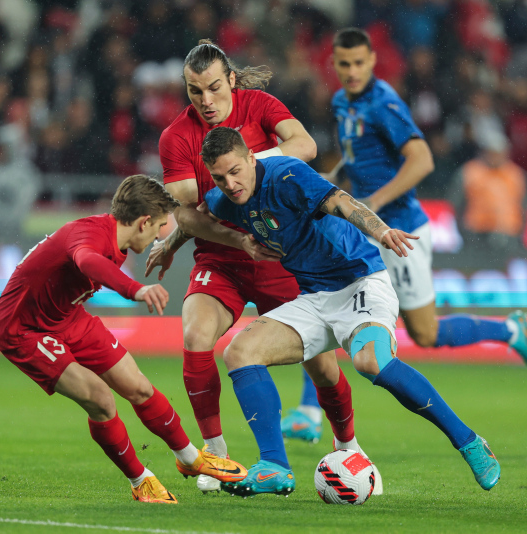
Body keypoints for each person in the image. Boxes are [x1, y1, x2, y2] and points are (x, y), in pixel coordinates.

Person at [200, 127, 500, 496]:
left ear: (250, 158)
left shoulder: (287, 175)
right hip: (313, 297)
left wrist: (381, 229)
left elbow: (342, 202)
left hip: (360, 281)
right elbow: (192, 216)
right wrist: (171, 243)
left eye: (235, 171)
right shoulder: (224, 199)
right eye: (219, 177)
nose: (230, 184)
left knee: (369, 361)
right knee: (239, 352)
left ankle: (469, 442)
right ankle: (275, 466)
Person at [147, 40, 362, 493]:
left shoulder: (259, 105)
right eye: (193, 92)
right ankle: (217, 456)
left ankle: (351, 446)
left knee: (323, 369)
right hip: (223, 256)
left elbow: (305, 144)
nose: (205, 101)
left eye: (213, 88)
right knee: (194, 335)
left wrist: (248, 163)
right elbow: (189, 213)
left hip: (278, 256)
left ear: (232, 80)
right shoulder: (175, 137)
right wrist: (236, 240)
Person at [0, 175, 248, 504]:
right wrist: (135, 289)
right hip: (24, 328)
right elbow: (86, 260)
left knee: (138, 386)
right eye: (158, 228)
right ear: (143, 223)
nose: (159, 235)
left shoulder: (116, 238)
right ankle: (140, 480)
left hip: (67, 315)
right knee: (100, 399)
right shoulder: (90, 236)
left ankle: (189, 457)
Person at [330, 28, 527, 370]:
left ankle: (509, 330)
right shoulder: (342, 102)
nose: (352, 71)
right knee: (331, 301)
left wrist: (377, 201)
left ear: (371, 60)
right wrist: (333, 180)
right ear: (334, 65)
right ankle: (310, 409)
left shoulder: (383, 103)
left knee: (425, 333)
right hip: (365, 229)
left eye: (358, 62)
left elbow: (422, 159)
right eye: (344, 64)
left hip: (401, 230)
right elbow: (358, 155)